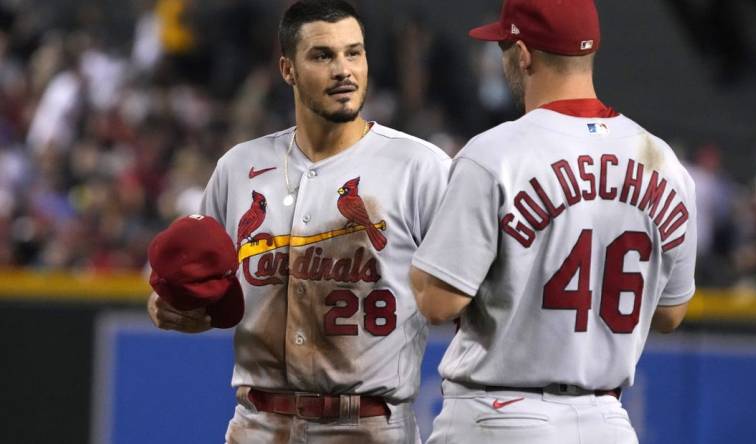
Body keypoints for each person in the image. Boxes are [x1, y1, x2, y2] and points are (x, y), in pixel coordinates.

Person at [146, 1, 450, 443]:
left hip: (366, 425)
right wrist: (173, 307)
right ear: (287, 69)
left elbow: (471, 296)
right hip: (257, 422)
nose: (344, 69)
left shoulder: (420, 167)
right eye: (323, 55)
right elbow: (197, 286)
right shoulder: (239, 167)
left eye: (354, 53)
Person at [410, 0, 697, 443]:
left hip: (500, 416)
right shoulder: (663, 161)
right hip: (608, 420)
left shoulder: (496, 153)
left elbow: (438, 303)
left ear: (523, 54)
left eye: (505, 47)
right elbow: (671, 313)